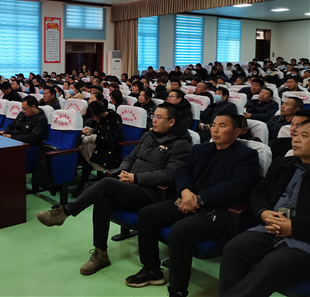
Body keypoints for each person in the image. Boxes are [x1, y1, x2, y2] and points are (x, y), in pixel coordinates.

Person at [36, 103, 193, 275]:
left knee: (106, 183)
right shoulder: (149, 135)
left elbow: (170, 174)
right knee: (102, 199)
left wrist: (136, 178)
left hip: (153, 194)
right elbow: (131, 157)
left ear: (171, 122)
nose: (154, 120)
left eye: (159, 117)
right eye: (153, 116)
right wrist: (121, 172)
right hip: (132, 186)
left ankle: (65, 212)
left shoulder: (181, 144)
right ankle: (100, 253)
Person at [126, 114, 260, 297]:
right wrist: (185, 192)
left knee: (181, 230)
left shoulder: (247, 155)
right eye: (213, 125)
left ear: (237, 132)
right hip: (187, 200)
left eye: (222, 126)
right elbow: (183, 171)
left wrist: (198, 199)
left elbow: (236, 186)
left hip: (215, 210)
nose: (215, 130)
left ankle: (177, 290)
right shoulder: (201, 149)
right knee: (147, 214)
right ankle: (151, 270)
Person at [219, 119, 310, 297]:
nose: (296, 139)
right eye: (296, 135)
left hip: (304, 240)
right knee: (234, 249)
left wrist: (293, 227)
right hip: (270, 229)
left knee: (273, 264)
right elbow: (259, 191)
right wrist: (264, 212)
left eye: (304, 136)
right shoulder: (282, 164)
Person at [72, 100, 125, 197]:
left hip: (112, 150)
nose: (92, 119)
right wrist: (91, 131)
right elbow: (100, 132)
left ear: (99, 113)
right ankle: (83, 182)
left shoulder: (113, 120)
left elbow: (109, 140)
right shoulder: (101, 118)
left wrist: (92, 138)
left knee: (86, 148)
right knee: (84, 145)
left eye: (93, 116)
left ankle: (83, 184)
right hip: (102, 146)